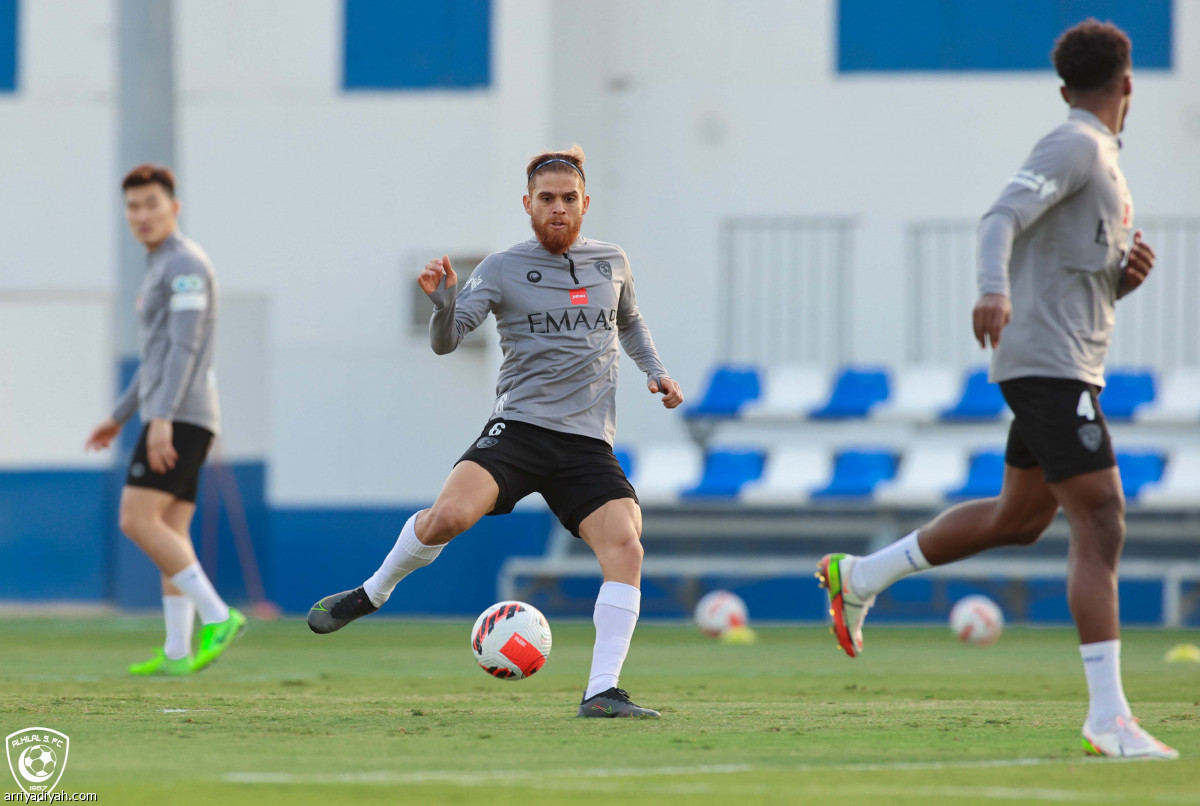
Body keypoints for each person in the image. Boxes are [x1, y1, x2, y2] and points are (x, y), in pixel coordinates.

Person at [817, 20, 1177, 760]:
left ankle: (859, 576)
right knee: (1102, 519)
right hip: (1049, 365)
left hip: (1062, 358)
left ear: (1063, 82)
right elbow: (1000, 215)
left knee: (1019, 517)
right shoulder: (1075, 143)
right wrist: (992, 290)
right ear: (1129, 83)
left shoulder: (1098, 157)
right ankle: (1108, 718)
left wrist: (1120, 281)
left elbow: (1070, 274)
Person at [308, 146, 683, 718]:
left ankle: (602, 691)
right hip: (521, 430)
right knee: (448, 517)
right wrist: (441, 306)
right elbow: (447, 340)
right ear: (527, 205)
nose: (557, 208)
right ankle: (373, 593)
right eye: (546, 199)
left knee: (626, 546)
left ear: (586, 204)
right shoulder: (503, 267)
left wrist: (655, 371)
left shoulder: (613, 261)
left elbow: (628, 321)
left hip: (586, 443)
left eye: (567, 199)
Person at [85, 164, 246, 675]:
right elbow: (154, 359)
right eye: (133, 206)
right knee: (170, 528)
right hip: (179, 412)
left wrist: (160, 419)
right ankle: (178, 648)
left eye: (151, 203)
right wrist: (118, 416)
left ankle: (218, 616)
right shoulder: (159, 267)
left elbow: (184, 347)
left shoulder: (185, 266)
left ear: (173, 208)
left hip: (180, 414)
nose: (142, 215)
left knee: (136, 519)